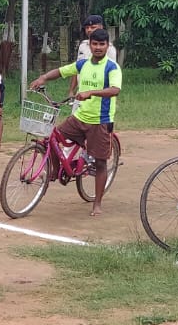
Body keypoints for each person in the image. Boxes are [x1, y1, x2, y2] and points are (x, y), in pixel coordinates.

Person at [28, 28, 121, 217]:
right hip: (79, 117)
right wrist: (43, 78)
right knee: (52, 138)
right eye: (94, 44)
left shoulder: (112, 67)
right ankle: (55, 172)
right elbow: (62, 71)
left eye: (102, 44)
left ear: (107, 46)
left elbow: (114, 90)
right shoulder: (82, 64)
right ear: (90, 44)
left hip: (100, 121)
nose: (98, 48)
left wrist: (91, 93)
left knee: (101, 162)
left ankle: (97, 203)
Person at [71, 14, 116, 98]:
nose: (89, 30)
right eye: (87, 28)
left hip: (99, 93)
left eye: (93, 27)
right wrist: (71, 91)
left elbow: (111, 74)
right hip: (81, 91)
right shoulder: (83, 46)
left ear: (101, 27)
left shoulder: (109, 48)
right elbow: (76, 69)